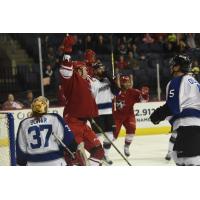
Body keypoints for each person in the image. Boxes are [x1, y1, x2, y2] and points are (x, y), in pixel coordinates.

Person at [150, 54, 200, 166]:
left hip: (188, 128)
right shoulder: (194, 82)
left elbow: (173, 107)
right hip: (194, 128)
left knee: (187, 162)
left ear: (177, 67)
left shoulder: (178, 80)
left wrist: (157, 115)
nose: (171, 67)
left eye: (173, 65)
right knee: (179, 158)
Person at [59, 54, 104, 166]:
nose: (86, 71)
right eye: (84, 69)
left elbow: (93, 80)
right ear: (78, 71)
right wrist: (67, 54)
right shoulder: (71, 82)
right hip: (72, 124)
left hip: (83, 124)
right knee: (75, 159)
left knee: (98, 152)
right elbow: (66, 72)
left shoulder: (85, 82)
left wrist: (89, 62)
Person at [16, 96, 84, 166]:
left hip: (33, 164)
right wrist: (73, 148)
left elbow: (21, 149)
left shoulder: (24, 123)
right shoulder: (55, 118)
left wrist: (22, 162)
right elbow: (68, 140)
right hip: (56, 162)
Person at [90, 62, 120, 165]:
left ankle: (105, 155)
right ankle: (98, 156)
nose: (102, 70)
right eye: (99, 69)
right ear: (94, 71)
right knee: (97, 137)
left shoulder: (107, 80)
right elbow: (91, 97)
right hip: (97, 113)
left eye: (103, 68)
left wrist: (111, 80)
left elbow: (117, 92)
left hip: (108, 112)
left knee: (110, 136)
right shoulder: (92, 81)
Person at [113, 75, 149, 157]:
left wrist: (145, 94)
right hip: (117, 116)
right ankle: (104, 150)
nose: (129, 84)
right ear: (121, 84)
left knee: (132, 130)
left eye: (129, 82)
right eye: (126, 82)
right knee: (113, 135)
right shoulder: (115, 92)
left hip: (129, 115)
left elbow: (144, 101)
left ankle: (126, 147)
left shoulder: (134, 92)